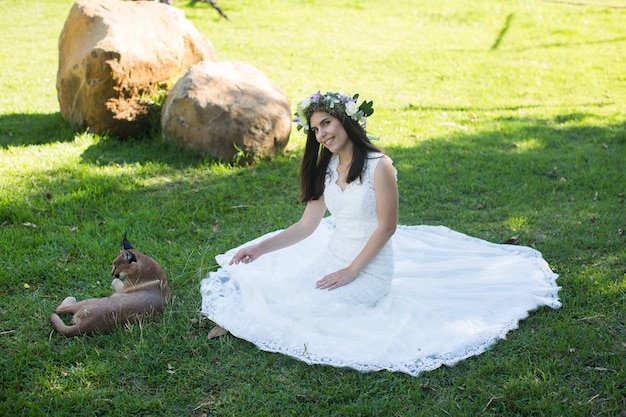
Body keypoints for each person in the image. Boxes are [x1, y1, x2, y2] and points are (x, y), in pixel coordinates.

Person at [200, 91, 561, 376]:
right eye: (314, 129)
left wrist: (351, 272)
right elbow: (308, 225)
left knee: (319, 310)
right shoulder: (326, 170)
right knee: (285, 297)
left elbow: (387, 227)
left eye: (327, 123)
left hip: (370, 268)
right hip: (334, 255)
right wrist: (261, 248)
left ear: (346, 121)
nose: (321, 133)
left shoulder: (379, 166)